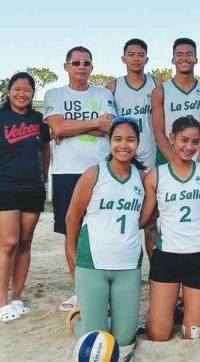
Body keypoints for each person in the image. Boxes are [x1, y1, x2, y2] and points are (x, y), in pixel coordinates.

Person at [43, 46, 116, 311]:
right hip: (66, 172)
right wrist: (93, 123)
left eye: (86, 63)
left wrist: (70, 128)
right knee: (71, 233)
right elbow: (57, 127)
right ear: (66, 66)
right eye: (76, 63)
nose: (81, 67)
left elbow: (109, 128)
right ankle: (81, 290)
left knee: (100, 232)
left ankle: (103, 288)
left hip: (99, 171)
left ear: (92, 67)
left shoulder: (103, 93)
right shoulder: (55, 94)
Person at [65, 117, 148, 346]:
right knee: (96, 339)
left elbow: (145, 218)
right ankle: (76, 319)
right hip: (93, 264)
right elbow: (72, 217)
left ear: (138, 143)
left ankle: (106, 317)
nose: (124, 145)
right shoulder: (94, 174)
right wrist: (73, 256)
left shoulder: (142, 178)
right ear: (109, 142)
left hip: (128, 265)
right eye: (118, 139)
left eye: (130, 140)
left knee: (123, 339)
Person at [0, 72, 51, 322]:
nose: (22, 94)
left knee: (25, 243)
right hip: (2, 189)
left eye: (27, 90)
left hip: (32, 189)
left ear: (33, 93)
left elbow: (44, 149)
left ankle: (17, 296)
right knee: (8, 243)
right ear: (8, 92)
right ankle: (1, 302)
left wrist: (44, 175)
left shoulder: (39, 120)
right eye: (17, 89)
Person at [141, 116, 200, 341]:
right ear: (172, 139)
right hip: (167, 255)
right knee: (159, 334)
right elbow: (146, 218)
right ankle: (160, 312)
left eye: (195, 142)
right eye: (184, 140)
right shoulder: (156, 175)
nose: (189, 147)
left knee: (192, 334)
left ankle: (191, 314)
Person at [106, 38, 164, 262]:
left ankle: (156, 276)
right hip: (124, 164)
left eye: (141, 54)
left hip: (152, 162)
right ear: (124, 58)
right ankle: (121, 269)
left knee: (151, 225)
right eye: (131, 54)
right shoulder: (112, 87)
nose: (136, 58)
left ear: (147, 59)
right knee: (123, 221)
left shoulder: (158, 85)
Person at [152, 38, 200, 167]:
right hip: (171, 161)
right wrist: (176, 164)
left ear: (196, 59)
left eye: (189, 54)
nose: (184, 58)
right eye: (179, 54)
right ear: (173, 59)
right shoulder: (160, 91)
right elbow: (159, 133)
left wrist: (197, 164)